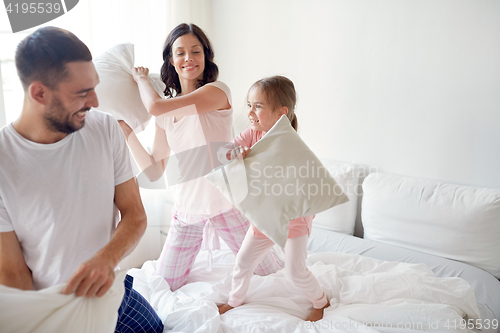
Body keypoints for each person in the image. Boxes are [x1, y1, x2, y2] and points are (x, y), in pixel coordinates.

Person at [0, 27, 163, 332]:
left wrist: (105, 260)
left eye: (94, 87)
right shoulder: (4, 161)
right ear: (39, 93)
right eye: (81, 93)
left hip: (113, 285)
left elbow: (135, 214)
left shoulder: (105, 129)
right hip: (54, 306)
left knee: (155, 328)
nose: (95, 101)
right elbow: (12, 273)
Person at [118, 23, 283, 291]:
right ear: (171, 60)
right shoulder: (166, 116)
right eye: (180, 53)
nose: (188, 59)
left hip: (226, 204)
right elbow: (154, 171)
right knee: (165, 285)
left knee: (271, 275)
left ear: (205, 56)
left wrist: (140, 80)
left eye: (195, 51)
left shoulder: (217, 92)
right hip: (187, 210)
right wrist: (127, 133)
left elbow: (155, 106)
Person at [217, 76, 330, 322]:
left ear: (281, 113)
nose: (250, 112)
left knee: (295, 271)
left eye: (258, 106)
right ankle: (234, 300)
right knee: (243, 261)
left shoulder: (292, 146)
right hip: (264, 218)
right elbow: (223, 153)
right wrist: (235, 154)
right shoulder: (252, 134)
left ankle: (321, 301)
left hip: (293, 219)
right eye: (249, 104)